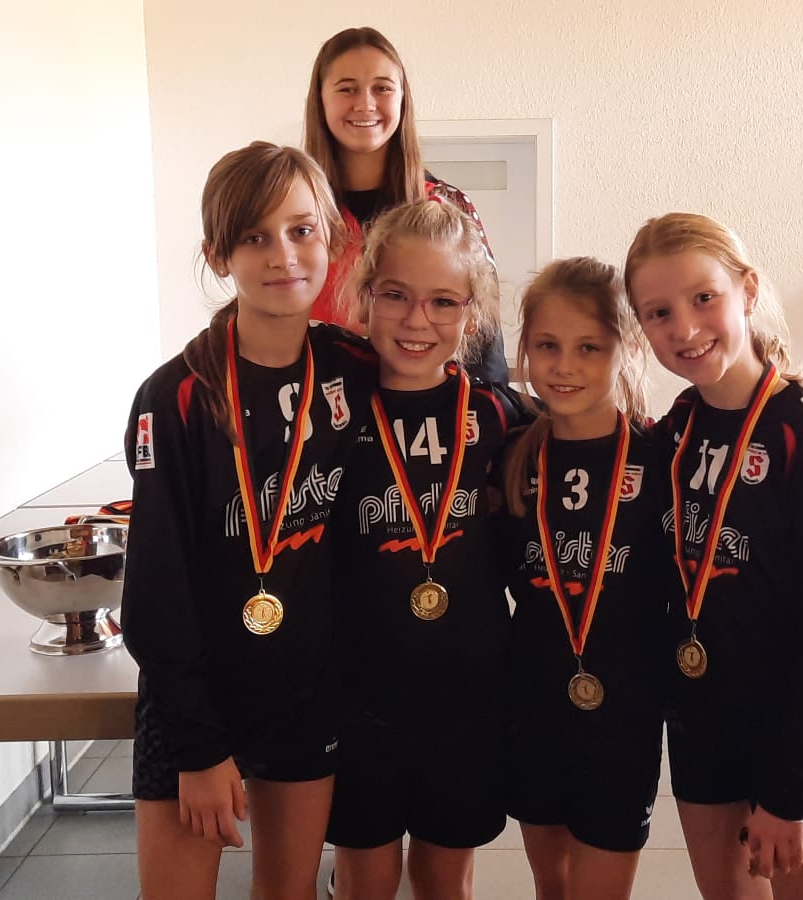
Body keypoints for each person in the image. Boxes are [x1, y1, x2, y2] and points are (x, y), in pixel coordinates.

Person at [119, 142, 377, 900]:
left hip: (305, 690)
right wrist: (198, 748)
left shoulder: (353, 370)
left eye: (301, 230)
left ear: (332, 237)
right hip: (195, 702)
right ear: (217, 254)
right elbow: (156, 589)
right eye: (255, 236)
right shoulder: (176, 397)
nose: (283, 255)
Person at [628, 212, 803, 899]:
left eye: (703, 298)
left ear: (748, 289)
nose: (684, 328)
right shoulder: (674, 432)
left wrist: (789, 789)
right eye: (658, 312)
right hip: (701, 723)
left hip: (794, 728)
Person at [325, 200, 521, 899]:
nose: (417, 321)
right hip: (356, 695)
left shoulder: (499, 417)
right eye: (396, 296)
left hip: (466, 695)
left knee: (446, 880)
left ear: (473, 313)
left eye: (443, 302)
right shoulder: (332, 414)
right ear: (364, 295)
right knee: (365, 879)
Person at [501, 257, 673, 900]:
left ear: (626, 348)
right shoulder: (513, 458)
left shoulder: (660, 460)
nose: (564, 366)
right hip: (532, 706)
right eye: (547, 346)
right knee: (552, 884)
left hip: (624, 715)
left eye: (588, 348)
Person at [304, 26, 510, 383]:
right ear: (320, 100)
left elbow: (485, 348)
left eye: (382, 88)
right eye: (347, 88)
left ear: (402, 98)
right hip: (319, 406)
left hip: (428, 409)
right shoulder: (298, 216)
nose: (365, 103)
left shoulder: (448, 207)